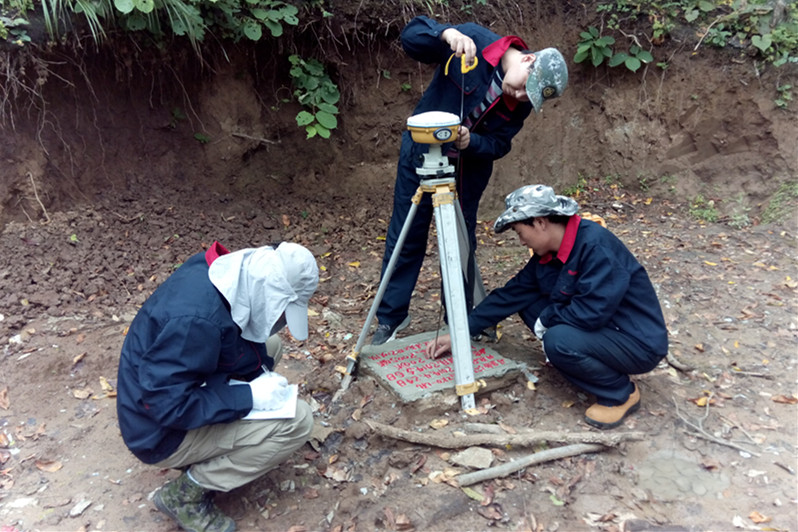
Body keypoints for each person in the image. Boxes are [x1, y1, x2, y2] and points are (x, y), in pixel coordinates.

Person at [371, 15, 568, 345]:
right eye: (524, 86)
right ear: (527, 60)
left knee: (461, 243)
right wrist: (445, 34)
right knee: (406, 234)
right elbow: (411, 38)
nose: (521, 95)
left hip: (467, 171)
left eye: (529, 96)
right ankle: (391, 317)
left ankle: (460, 319)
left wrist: (471, 142)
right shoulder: (474, 40)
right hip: (419, 154)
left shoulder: (519, 104)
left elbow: (499, 144)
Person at [426, 185, 669, 429]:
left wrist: (549, 321)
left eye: (520, 232)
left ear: (540, 222)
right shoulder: (551, 252)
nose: (522, 241)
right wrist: (459, 333)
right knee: (528, 303)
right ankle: (575, 357)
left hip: (636, 342)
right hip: (604, 328)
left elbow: (591, 312)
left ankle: (620, 393)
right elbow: (511, 294)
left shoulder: (596, 247)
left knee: (558, 340)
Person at [117, 240, 319, 532]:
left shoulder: (227, 273)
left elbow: (233, 331)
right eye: (282, 311)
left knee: (271, 345)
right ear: (271, 293)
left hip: (161, 391)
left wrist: (260, 371)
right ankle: (185, 495)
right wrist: (250, 397)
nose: (282, 320)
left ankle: (223, 444)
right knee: (298, 421)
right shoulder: (195, 322)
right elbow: (167, 406)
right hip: (158, 432)